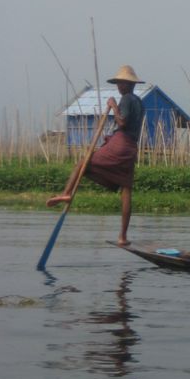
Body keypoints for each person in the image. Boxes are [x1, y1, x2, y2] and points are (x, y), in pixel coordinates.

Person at [47, 65, 145, 245]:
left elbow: (122, 122)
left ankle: (66, 193)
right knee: (126, 189)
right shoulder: (139, 102)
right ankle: (122, 237)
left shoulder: (126, 99)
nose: (119, 86)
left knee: (83, 163)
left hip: (120, 143)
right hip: (131, 148)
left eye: (121, 83)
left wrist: (114, 106)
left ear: (128, 84)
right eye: (118, 83)